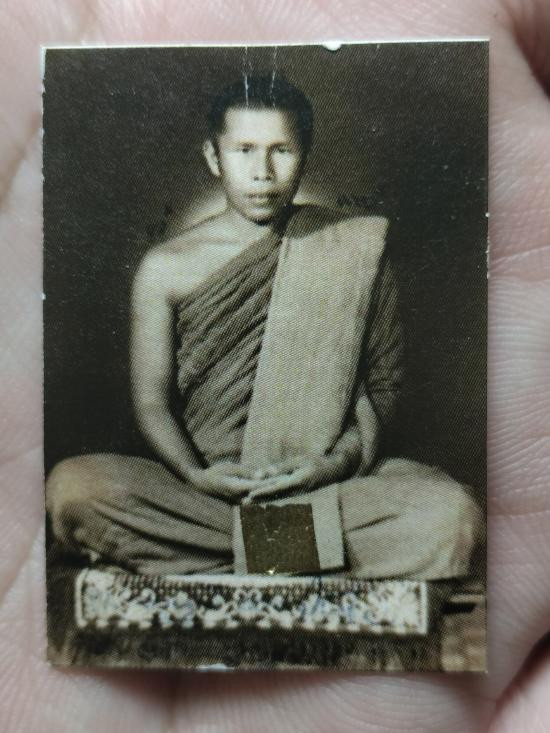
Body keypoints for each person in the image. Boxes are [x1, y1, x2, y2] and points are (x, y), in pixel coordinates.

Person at [45, 73, 482, 578]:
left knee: (453, 515)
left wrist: (333, 464)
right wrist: (197, 475)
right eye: (245, 150)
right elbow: (151, 402)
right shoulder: (166, 267)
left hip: (322, 488)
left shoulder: (355, 247)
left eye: (281, 151)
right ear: (214, 157)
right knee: (74, 490)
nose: (263, 173)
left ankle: (224, 558)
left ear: (305, 155)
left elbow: (383, 387)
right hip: (207, 494)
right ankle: (296, 556)